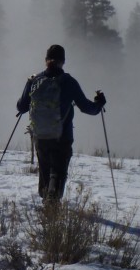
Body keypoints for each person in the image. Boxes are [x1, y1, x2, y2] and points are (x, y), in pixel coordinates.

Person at [16, 44, 106, 202]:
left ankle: (46, 202)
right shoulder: (68, 82)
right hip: (62, 136)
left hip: (40, 136)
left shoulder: (34, 81)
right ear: (63, 61)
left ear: (46, 60)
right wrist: (99, 104)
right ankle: (52, 206)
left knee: (45, 170)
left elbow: (21, 107)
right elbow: (87, 108)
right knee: (58, 172)